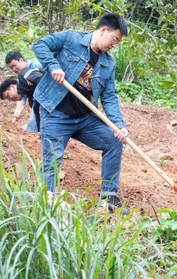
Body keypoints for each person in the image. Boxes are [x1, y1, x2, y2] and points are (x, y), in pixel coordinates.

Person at [32, 13, 129, 213]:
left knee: (113, 141)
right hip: (56, 112)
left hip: (83, 118)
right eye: (114, 39)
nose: (114, 45)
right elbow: (39, 45)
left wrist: (119, 125)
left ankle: (108, 201)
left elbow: (109, 97)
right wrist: (53, 66)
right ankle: (46, 202)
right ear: (104, 30)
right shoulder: (71, 38)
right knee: (53, 156)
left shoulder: (108, 64)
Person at [4, 51, 42, 131]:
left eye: (14, 65)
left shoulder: (37, 64)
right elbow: (22, 95)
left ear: (21, 60)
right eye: (11, 68)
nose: (14, 69)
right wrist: (17, 111)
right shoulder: (20, 77)